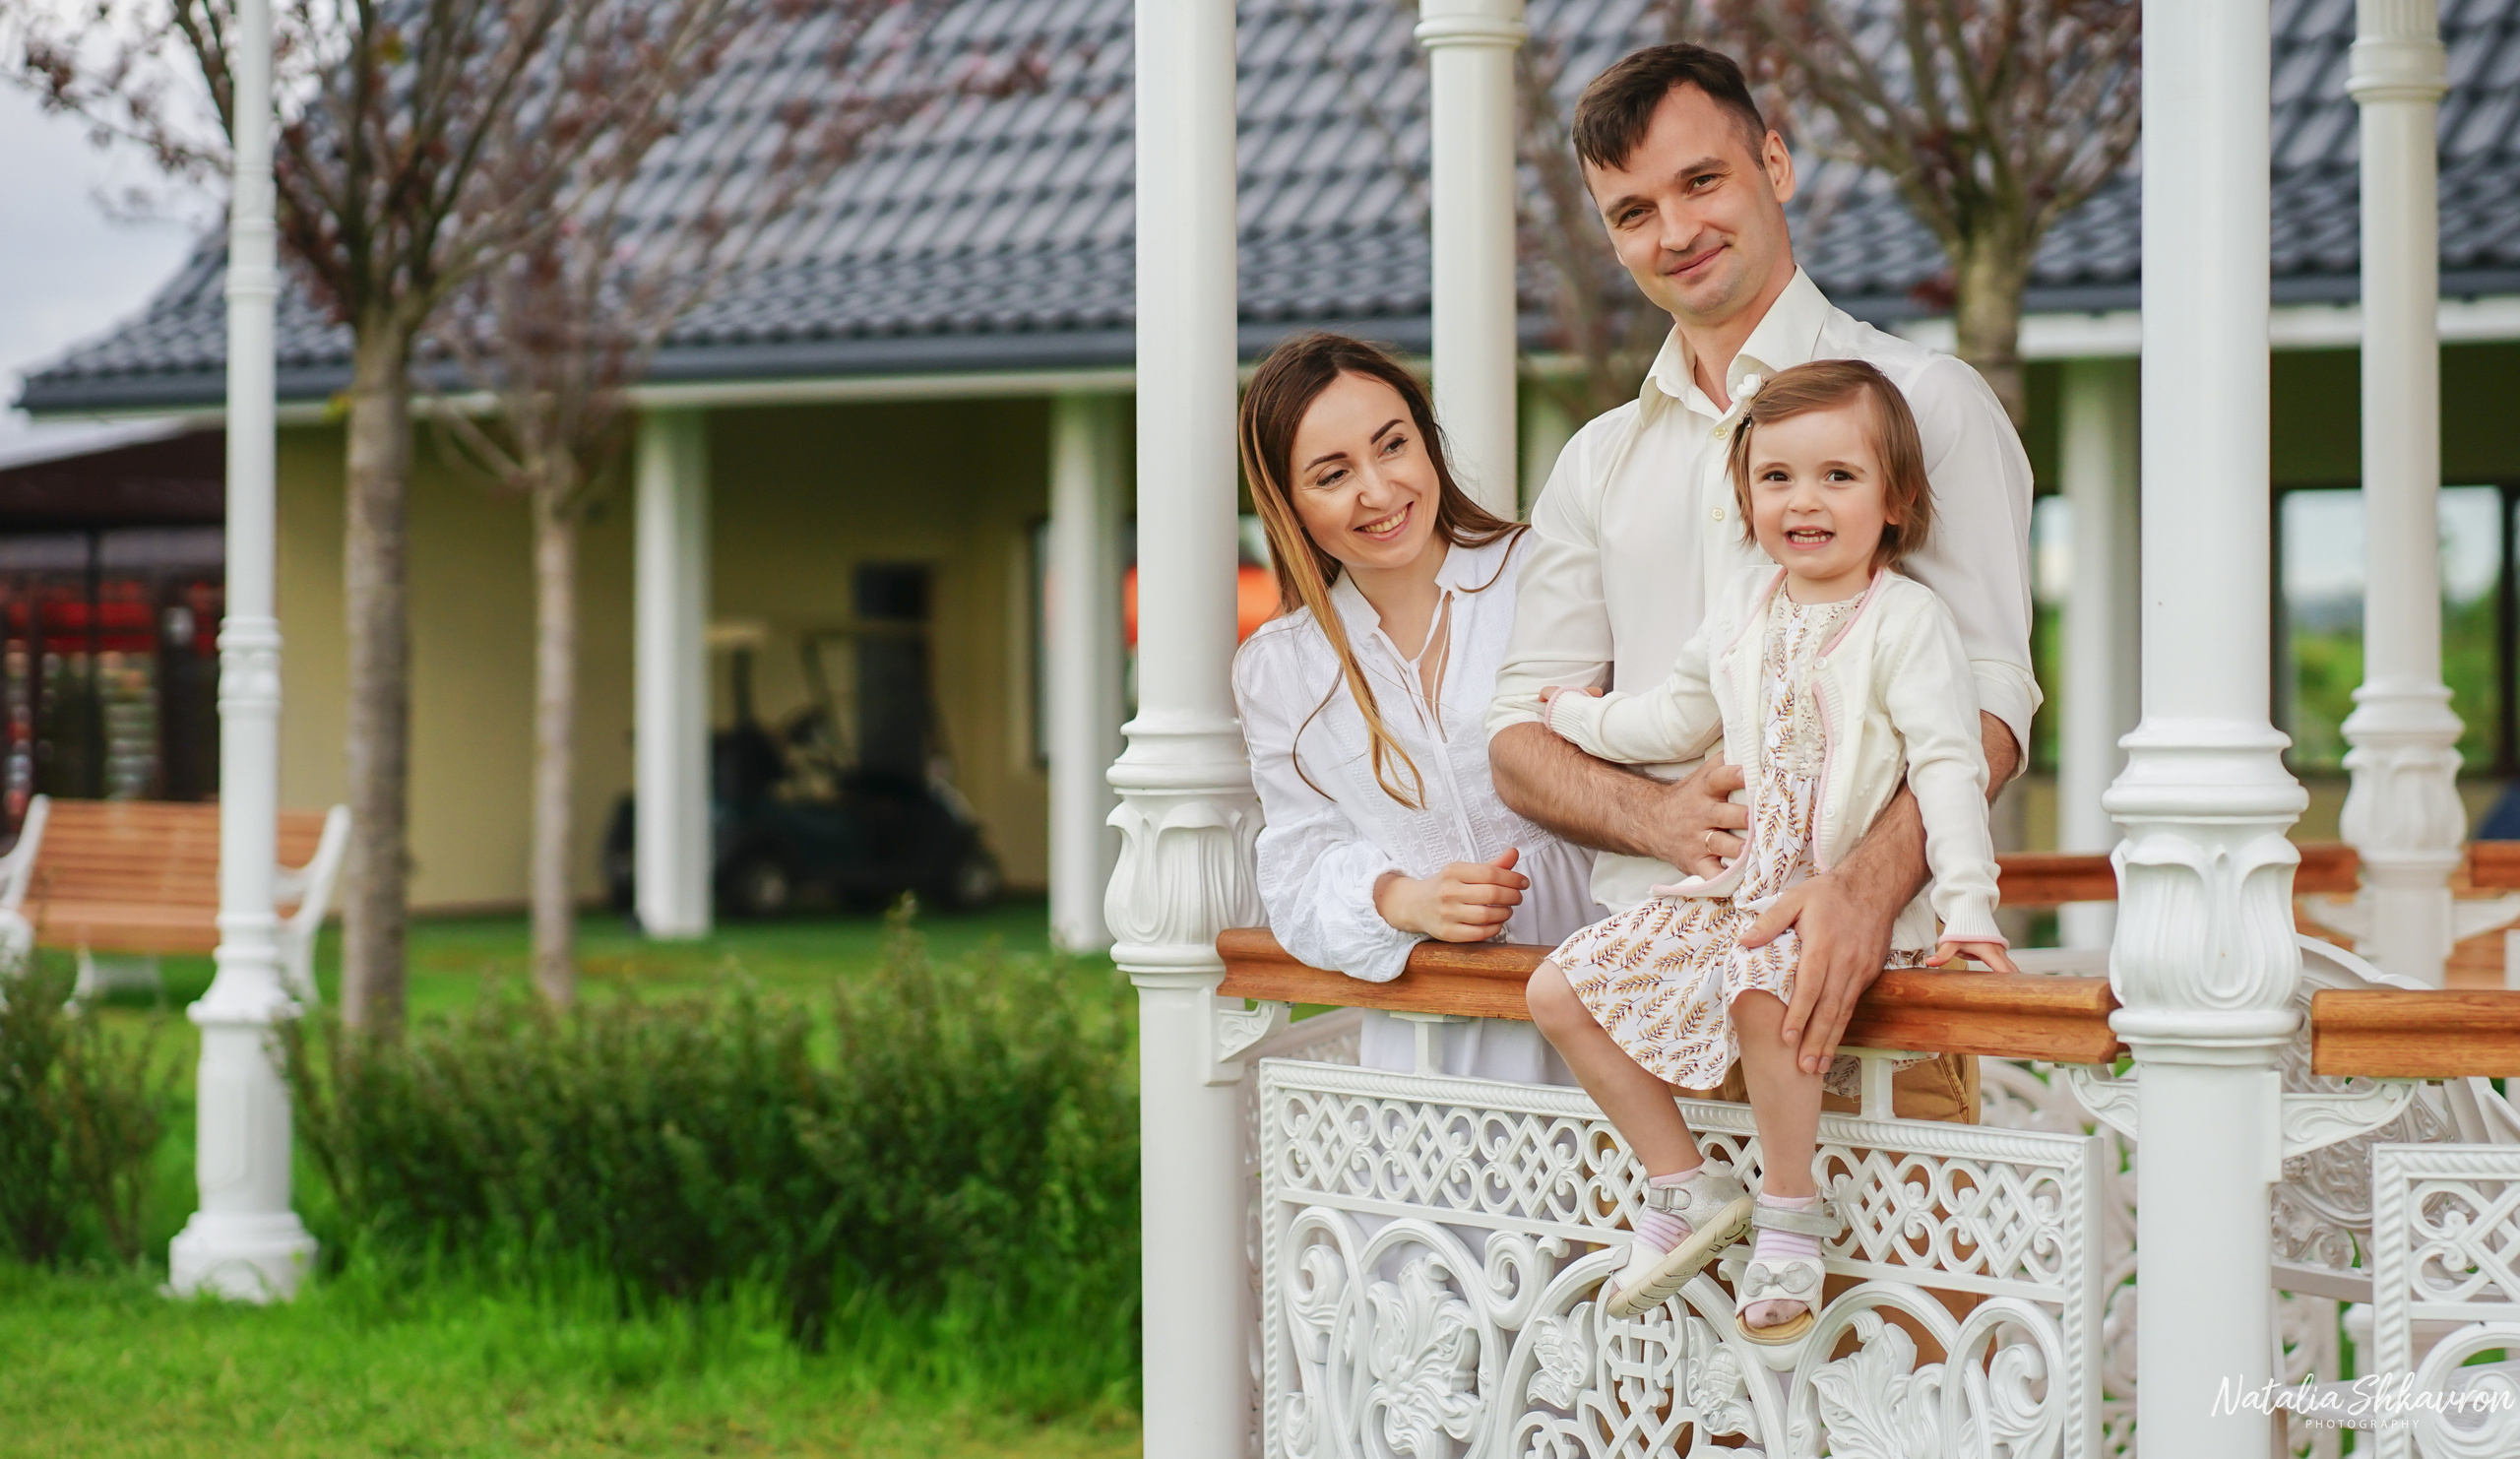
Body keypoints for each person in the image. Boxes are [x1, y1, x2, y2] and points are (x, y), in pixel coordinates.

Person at [1485, 43, 2037, 1118]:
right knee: (1660, 1283)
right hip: (1642, 1007)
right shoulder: (1597, 458)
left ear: (1774, 165)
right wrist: (1658, 821)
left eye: (1701, 182)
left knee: (1900, 1296)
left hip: (1874, 1005)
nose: (1674, 233)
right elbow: (1517, 736)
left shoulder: (1930, 402)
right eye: (1631, 211)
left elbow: (1989, 705)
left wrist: (1858, 893)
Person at [1527, 359, 2018, 1341]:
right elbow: (1673, 717)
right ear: (1746, 495)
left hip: (1829, 898)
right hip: (1738, 885)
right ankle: (1687, 1183)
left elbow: (1948, 770)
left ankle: (1789, 1215)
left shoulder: (1905, 622)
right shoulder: (1745, 606)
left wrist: (1970, 911)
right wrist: (1572, 713)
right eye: (1776, 478)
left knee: (1761, 985)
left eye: (1838, 477)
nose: (1804, 501)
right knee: (1559, 988)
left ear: (1896, 501)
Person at [1234, 332, 1599, 1079]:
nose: (1378, 490)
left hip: (1603, 984)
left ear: (1426, 445)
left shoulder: (1543, 573)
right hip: (1430, 1033)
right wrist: (1404, 900)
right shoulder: (1280, 669)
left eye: (1392, 445)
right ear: (1290, 506)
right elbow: (1296, 874)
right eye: (1333, 474)